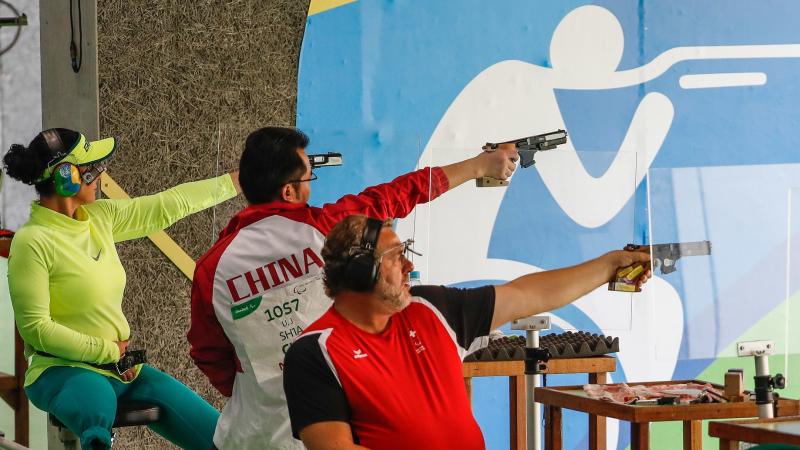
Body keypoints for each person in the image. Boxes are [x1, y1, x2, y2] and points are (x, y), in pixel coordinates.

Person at [188, 126, 518, 449]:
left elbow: (208, 354)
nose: (310, 187)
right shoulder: (325, 228)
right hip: (339, 429)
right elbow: (400, 193)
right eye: (308, 178)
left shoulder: (211, 269)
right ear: (289, 192)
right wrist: (481, 165)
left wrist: (264, 394)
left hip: (253, 436)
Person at [283, 215, 652, 450]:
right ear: (361, 272)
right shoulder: (315, 351)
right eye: (396, 256)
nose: (409, 265)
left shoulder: (431, 308)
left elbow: (529, 294)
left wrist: (609, 265)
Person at [4, 128, 241, 450]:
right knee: (95, 422)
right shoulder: (32, 241)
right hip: (61, 369)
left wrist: (238, 181)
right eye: (95, 170)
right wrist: (106, 352)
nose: (102, 176)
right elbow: (36, 330)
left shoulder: (98, 218)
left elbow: (165, 205)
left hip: (122, 367)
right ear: (66, 178)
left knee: (223, 438)